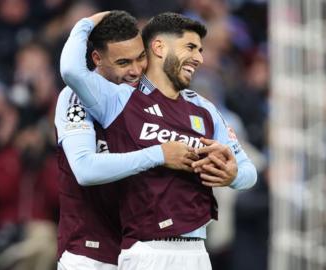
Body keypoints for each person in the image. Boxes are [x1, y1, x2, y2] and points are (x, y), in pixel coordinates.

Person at [60, 11, 257, 270]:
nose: (198, 58)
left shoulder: (204, 109)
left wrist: (232, 175)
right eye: (190, 47)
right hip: (130, 250)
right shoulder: (119, 100)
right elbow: (71, 70)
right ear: (160, 47)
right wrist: (88, 22)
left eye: (200, 50)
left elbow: (248, 172)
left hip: (197, 250)